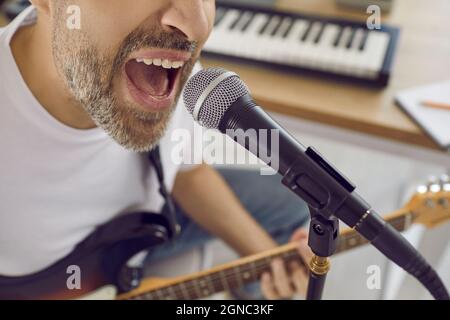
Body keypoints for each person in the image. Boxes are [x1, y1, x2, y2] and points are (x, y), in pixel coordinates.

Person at [0, 0, 313, 299]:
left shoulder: (160, 68)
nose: (196, 24)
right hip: (50, 279)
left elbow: (186, 170)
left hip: (132, 235)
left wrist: (266, 258)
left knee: (294, 203)